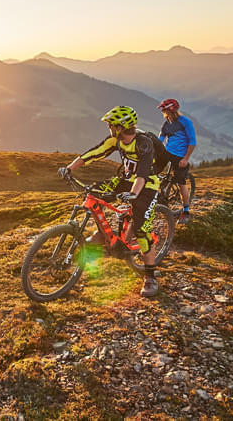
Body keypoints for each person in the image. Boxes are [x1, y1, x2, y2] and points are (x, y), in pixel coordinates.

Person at [58, 105, 171, 298]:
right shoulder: (116, 140)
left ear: (120, 126)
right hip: (126, 180)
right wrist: (69, 168)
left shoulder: (144, 144)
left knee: (142, 230)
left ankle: (150, 276)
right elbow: (93, 153)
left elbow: (143, 174)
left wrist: (134, 194)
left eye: (111, 125)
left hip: (147, 185)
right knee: (94, 193)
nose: (109, 128)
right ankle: (104, 235)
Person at [156, 99, 196, 224]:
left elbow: (192, 142)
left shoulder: (185, 122)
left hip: (180, 156)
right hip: (167, 152)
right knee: (151, 172)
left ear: (172, 110)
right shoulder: (167, 123)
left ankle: (186, 211)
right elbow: (160, 140)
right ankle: (158, 195)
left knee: (180, 183)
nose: (164, 113)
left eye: (165, 110)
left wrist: (185, 159)